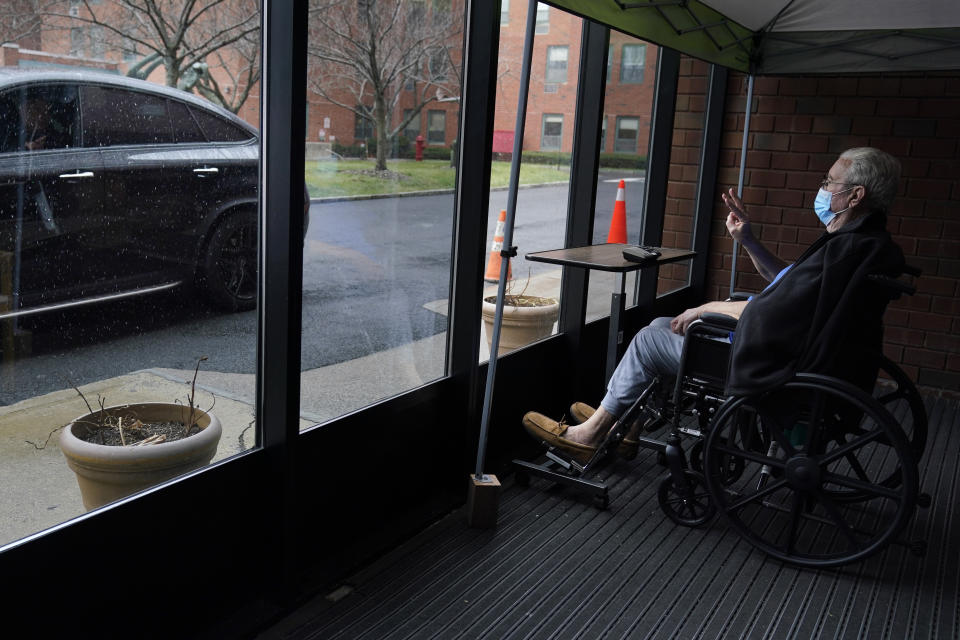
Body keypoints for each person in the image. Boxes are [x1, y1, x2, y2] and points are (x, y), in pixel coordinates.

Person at [523, 147, 905, 463]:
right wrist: (749, 241)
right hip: (801, 352)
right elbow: (789, 283)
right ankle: (626, 426)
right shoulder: (863, 246)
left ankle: (590, 434)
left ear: (855, 196)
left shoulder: (844, 249)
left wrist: (704, 309)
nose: (822, 189)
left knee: (647, 340)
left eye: (829, 182)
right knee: (660, 324)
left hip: (774, 362)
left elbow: (767, 309)